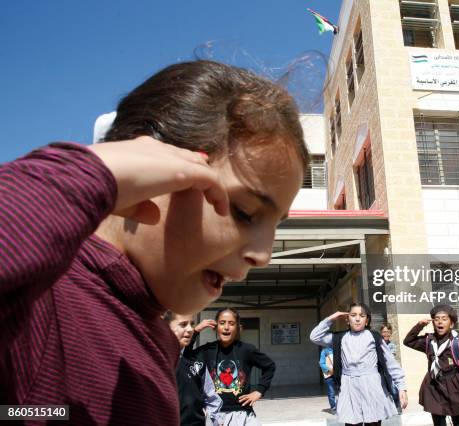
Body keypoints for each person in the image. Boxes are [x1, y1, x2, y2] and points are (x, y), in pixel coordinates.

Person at [0, 60, 308, 424]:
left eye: (276, 227)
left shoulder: (148, 331)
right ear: (152, 172)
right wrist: (90, 170)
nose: (264, 255)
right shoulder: (41, 303)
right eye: (243, 211)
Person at [310, 303, 408, 426]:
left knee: (373, 422)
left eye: (362, 316)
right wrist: (331, 319)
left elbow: (391, 363)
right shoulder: (339, 338)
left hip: (372, 384)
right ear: (347, 319)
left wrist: (401, 387)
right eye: (353, 315)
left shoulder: (374, 337)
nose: (357, 318)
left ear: (367, 320)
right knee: (351, 423)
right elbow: (315, 336)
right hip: (349, 385)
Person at [184, 308, 275, 426]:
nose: (226, 327)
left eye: (231, 323)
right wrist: (196, 331)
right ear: (216, 327)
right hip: (215, 415)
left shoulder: (247, 350)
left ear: (237, 327)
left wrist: (259, 391)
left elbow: (269, 366)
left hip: (242, 414)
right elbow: (185, 357)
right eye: (222, 323)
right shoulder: (207, 350)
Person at [403, 304, 459, 426]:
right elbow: (408, 341)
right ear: (433, 323)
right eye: (436, 319)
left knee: (458, 421)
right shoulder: (429, 341)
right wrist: (420, 326)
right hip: (434, 386)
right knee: (438, 421)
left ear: (451, 324)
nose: (440, 322)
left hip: (454, 386)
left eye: (444, 319)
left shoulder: (456, 344)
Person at [164, 311, 223, 426]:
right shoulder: (156, 362)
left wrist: (213, 421)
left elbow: (212, 397)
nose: (190, 329)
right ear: (166, 327)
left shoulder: (197, 363)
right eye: (183, 324)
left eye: (192, 324)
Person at [318, 346, 337, 413]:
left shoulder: (339, 348)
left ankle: (340, 407)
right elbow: (321, 363)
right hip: (329, 375)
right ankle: (333, 407)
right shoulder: (325, 351)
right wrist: (329, 370)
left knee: (342, 391)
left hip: (338, 374)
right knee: (331, 392)